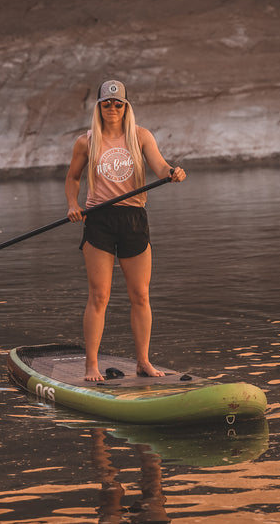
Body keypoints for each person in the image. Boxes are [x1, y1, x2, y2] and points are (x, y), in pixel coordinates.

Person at [65, 80, 186, 381]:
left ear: (126, 106)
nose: (113, 108)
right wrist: (72, 204)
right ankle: (91, 365)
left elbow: (159, 166)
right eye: (107, 103)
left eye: (118, 103)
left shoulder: (140, 136)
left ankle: (143, 362)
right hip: (99, 220)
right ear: (99, 106)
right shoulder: (86, 142)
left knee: (140, 296)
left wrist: (172, 172)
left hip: (134, 219)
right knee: (99, 296)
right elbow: (72, 178)